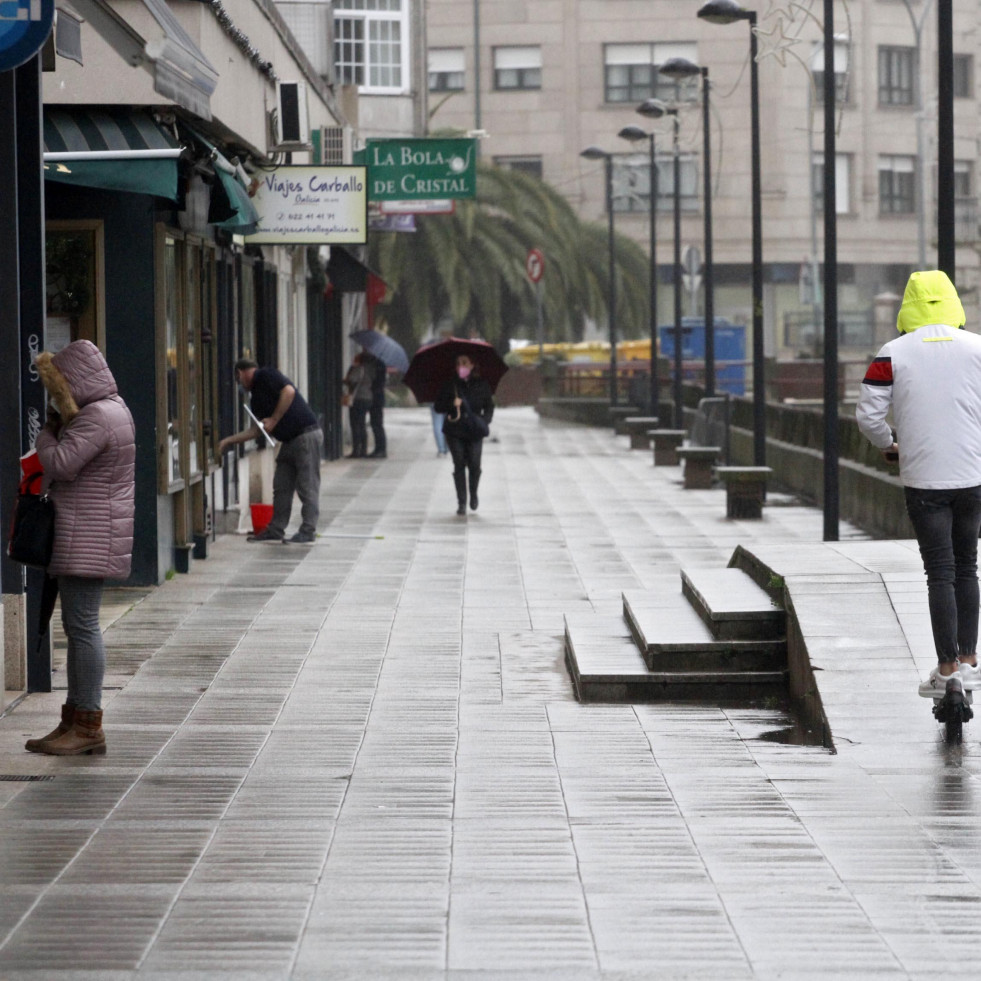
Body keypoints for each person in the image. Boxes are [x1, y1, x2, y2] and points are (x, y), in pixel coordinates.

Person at [856, 269, 981, 700]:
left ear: (908, 304)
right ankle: (969, 661)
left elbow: (868, 415)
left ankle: (946, 671)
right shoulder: (978, 348)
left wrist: (889, 443)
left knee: (940, 572)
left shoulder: (893, 352)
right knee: (968, 566)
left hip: (925, 478)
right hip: (972, 476)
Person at [26, 340, 136, 756]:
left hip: (87, 534)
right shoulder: (112, 409)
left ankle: (88, 724)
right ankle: (73, 718)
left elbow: (59, 464)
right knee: (76, 628)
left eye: (57, 388)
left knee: (84, 627)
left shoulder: (97, 417)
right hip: (87, 531)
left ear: (72, 382)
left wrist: (48, 432)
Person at [219, 359, 322, 544]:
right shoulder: (256, 397)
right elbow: (256, 430)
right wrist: (227, 441)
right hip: (289, 440)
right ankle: (276, 529)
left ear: (240, 373)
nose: (239, 385)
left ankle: (308, 530)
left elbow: (289, 391)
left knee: (307, 486)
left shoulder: (266, 375)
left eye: (238, 380)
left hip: (305, 435)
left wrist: (274, 419)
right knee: (281, 485)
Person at [434, 353, 495, 515]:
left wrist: (484, 421)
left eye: (465, 363)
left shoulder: (482, 384)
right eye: (458, 363)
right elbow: (438, 407)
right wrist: (451, 403)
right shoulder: (450, 384)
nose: (461, 367)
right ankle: (461, 501)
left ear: (472, 365)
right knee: (459, 463)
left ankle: (473, 492)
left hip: (474, 430)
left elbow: (489, 406)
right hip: (455, 430)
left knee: (475, 464)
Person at [343, 353, 374, 458]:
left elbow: (351, 380)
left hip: (358, 399)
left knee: (355, 424)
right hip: (368, 398)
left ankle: (356, 450)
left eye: (356, 357)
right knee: (362, 424)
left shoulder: (358, 369)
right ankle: (364, 450)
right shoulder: (370, 369)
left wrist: (349, 371)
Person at [367, 352, 387, 458]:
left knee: (377, 424)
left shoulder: (379, 365)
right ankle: (379, 448)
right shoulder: (378, 364)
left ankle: (381, 449)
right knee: (375, 424)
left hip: (377, 398)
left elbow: (377, 381)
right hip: (376, 397)